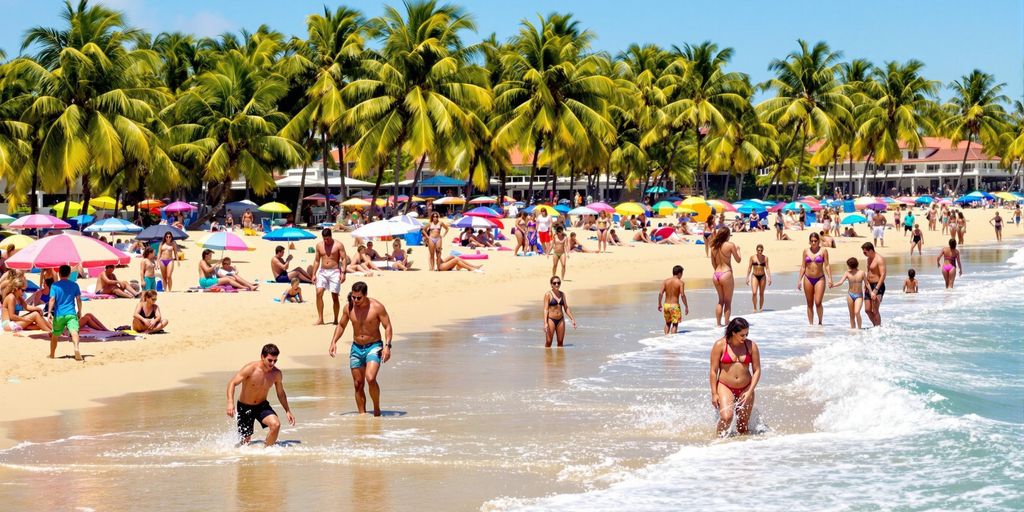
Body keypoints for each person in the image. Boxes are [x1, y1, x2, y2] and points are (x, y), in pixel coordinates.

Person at [328, 282, 394, 416]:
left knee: (370, 378)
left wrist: (387, 347)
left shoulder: (377, 307)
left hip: (374, 346)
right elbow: (341, 325)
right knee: (358, 384)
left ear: (365, 295)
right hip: (356, 348)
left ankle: (376, 409)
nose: (356, 300)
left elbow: (387, 326)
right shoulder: (349, 308)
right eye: (353, 297)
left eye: (359, 298)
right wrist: (333, 341)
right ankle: (362, 416)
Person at [226, 343, 295, 446]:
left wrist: (287, 410)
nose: (272, 363)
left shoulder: (276, 374)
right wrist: (230, 402)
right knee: (245, 442)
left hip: (261, 406)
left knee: (275, 425)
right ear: (262, 357)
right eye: (270, 360)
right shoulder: (250, 368)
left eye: (275, 361)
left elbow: (280, 393)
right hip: (245, 407)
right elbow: (232, 383)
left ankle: (267, 453)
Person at [709, 318, 761, 436]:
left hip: (746, 387)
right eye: (742, 335)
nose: (745, 337)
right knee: (727, 417)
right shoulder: (720, 345)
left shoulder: (751, 346)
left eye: (747, 334)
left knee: (742, 426)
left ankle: (740, 450)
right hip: (725, 386)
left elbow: (757, 370)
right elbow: (713, 370)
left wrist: (750, 391)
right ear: (733, 332)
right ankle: (718, 442)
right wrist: (714, 393)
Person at [48, 265, 84, 361]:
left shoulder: (54, 285)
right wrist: (80, 311)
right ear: (69, 274)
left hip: (59, 314)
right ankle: (76, 347)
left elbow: (52, 299)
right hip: (71, 313)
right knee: (74, 331)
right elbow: (79, 299)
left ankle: (52, 354)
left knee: (55, 335)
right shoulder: (75, 285)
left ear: (59, 274)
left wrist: (48, 313)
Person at [312, 228, 347, 325]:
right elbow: (316, 261)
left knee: (334, 296)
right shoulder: (319, 245)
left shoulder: (338, 245)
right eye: (324, 239)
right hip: (323, 271)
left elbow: (344, 259)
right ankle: (320, 319)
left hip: (335, 271)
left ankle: (336, 319)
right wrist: (314, 274)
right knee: (318, 293)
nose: (326, 241)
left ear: (331, 236)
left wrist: (343, 273)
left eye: (327, 239)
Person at [709, 227, 741, 327]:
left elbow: (713, 264)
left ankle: (718, 324)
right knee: (727, 301)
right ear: (727, 235)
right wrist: (739, 250)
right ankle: (727, 324)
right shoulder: (730, 245)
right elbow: (738, 260)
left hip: (716, 274)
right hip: (726, 273)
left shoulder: (713, 247)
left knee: (720, 300)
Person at [798, 232, 831, 326]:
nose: (813, 243)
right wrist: (799, 280)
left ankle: (820, 322)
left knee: (818, 302)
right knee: (809, 303)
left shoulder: (823, 251)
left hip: (819, 278)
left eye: (815, 241)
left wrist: (830, 279)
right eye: (811, 241)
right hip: (808, 278)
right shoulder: (806, 251)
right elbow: (803, 266)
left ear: (818, 241)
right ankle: (811, 325)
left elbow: (827, 265)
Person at [830, 257, 866, 329]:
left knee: (857, 312)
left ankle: (859, 329)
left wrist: (871, 292)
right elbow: (841, 282)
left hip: (859, 295)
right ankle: (853, 330)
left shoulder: (862, 273)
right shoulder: (847, 273)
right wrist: (833, 285)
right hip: (850, 295)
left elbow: (867, 283)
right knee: (851, 315)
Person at [542, 276, 576, 347]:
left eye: (558, 283)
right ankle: (547, 357)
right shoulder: (548, 295)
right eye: (554, 283)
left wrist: (572, 319)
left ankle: (559, 357)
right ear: (551, 284)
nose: (557, 284)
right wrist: (545, 323)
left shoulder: (562, 294)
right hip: (551, 319)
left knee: (560, 342)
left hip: (560, 320)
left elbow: (566, 308)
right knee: (548, 342)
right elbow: (545, 309)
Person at [657, 265, 689, 334]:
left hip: (666, 305)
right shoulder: (680, 283)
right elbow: (682, 295)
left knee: (667, 323)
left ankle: (666, 338)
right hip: (675, 306)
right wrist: (686, 306)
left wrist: (659, 303)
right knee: (675, 324)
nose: (681, 276)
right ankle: (672, 340)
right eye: (682, 274)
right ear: (679, 273)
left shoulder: (665, 281)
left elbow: (660, 293)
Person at [862, 242, 887, 327]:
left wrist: (876, 290)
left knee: (875, 309)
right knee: (867, 309)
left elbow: (883, 275)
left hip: (877, 286)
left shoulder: (879, 259)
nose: (864, 254)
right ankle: (876, 326)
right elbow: (868, 272)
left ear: (871, 250)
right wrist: (865, 283)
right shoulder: (868, 259)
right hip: (869, 285)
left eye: (865, 252)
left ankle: (878, 328)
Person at [745, 244, 772, 312]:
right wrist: (747, 277)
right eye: (758, 250)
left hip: (762, 276)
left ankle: (760, 308)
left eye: (761, 250)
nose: (760, 252)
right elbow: (749, 268)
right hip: (754, 276)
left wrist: (769, 277)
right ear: (756, 250)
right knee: (754, 292)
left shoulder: (765, 258)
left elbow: (767, 268)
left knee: (761, 293)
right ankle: (754, 307)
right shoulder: (752, 257)